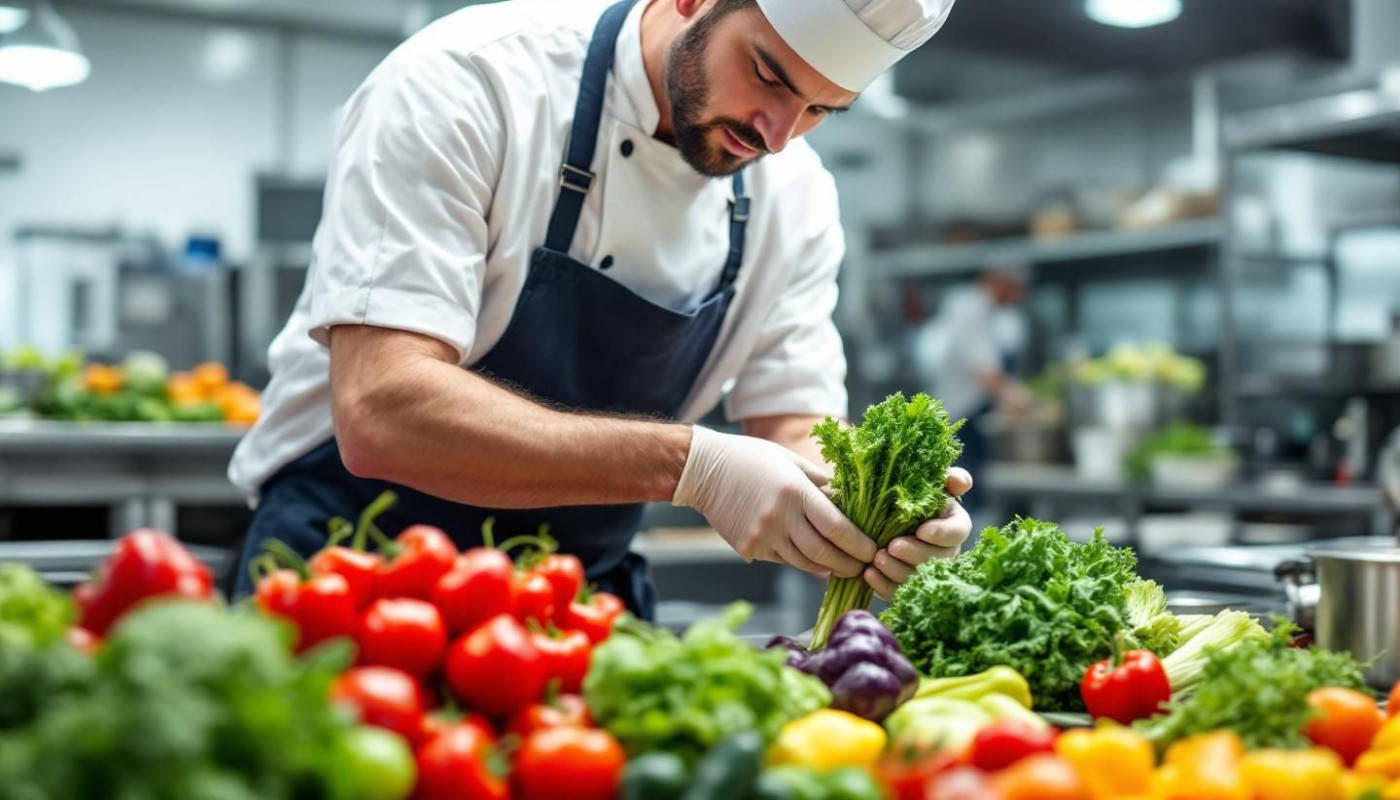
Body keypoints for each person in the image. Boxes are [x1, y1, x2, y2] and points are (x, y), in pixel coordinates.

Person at [228, 0, 971, 618]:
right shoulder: (470, 81)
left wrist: (877, 508)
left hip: (571, 596)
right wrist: (692, 465)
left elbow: (797, 426)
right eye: (767, 75)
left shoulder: (797, 197)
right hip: (354, 572)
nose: (777, 137)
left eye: (821, 110)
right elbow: (384, 411)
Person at [912, 260, 1032, 499]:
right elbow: (985, 370)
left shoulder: (990, 313)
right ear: (1001, 283)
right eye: (1017, 288)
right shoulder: (970, 309)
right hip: (959, 414)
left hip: (972, 410)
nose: (1019, 296)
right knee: (962, 488)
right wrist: (1018, 399)